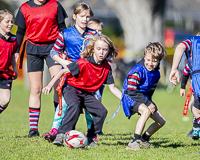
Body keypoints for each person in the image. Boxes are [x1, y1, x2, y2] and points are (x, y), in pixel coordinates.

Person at [42, 35, 122, 147]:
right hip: (71, 89)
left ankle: (90, 137)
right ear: (93, 49)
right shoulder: (83, 63)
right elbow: (62, 72)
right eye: (98, 49)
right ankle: (61, 134)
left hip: (86, 93)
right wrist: (50, 85)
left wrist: (125, 98)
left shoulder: (107, 68)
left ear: (109, 51)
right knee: (75, 105)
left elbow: (112, 88)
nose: (101, 52)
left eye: (105, 49)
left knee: (102, 111)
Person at [43, 4, 103, 142]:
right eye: (82, 16)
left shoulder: (93, 35)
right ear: (75, 16)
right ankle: (55, 130)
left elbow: (101, 49)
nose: (85, 19)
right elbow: (54, 52)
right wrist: (64, 63)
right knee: (64, 104)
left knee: (90, 107)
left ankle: (91, 132)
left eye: (88, 16)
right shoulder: (65, 34)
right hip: (71, 75)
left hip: (89, 76)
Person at [14, 0, 68, 137]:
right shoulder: (24, 8)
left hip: (53, 48)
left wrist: (66, 49)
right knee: (35, 89)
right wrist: (16, 50)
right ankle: (33, 129)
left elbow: (63, 29)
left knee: (58, 86)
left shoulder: (55, 5)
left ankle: (58, 125)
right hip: (32, 48)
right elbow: (20, 31)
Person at [122, 42, 166, 150]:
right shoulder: (137, 71)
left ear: (159, 60)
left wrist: (151, 103)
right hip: (130, 97)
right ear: (144, 57)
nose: (150, 63)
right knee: (145, 111)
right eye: (148, 60)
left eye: (154, 61)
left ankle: (144, 139)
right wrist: (148, 104)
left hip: (144, 98)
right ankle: (134, 141)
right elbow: (131, 91)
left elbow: (150, 92)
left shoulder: (157, 74)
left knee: (161, 121)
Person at [169, 33, 200, 140]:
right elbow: (185, 75)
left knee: (195, 107)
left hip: (198, 80)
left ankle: (196, 127)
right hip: (195, 83)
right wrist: (183, 87)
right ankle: (196, 128)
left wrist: (174, 69)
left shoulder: (193, 41)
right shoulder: (189, 66)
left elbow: (180, 47)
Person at [0, 9, 18, 114]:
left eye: (12, 21)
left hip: (5, 73)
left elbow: (12, 55)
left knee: (5, 100)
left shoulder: (13, 39)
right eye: (7, 22)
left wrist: (15, 69)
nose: (10, 24)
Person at [180, 63, 200, 139]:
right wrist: (182, 87)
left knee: (195, 109)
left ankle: (196, 129)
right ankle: (195, 129)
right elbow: (185, 73)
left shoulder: (193, 61)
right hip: (196, 91)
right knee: (195, 108)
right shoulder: (191, 62)